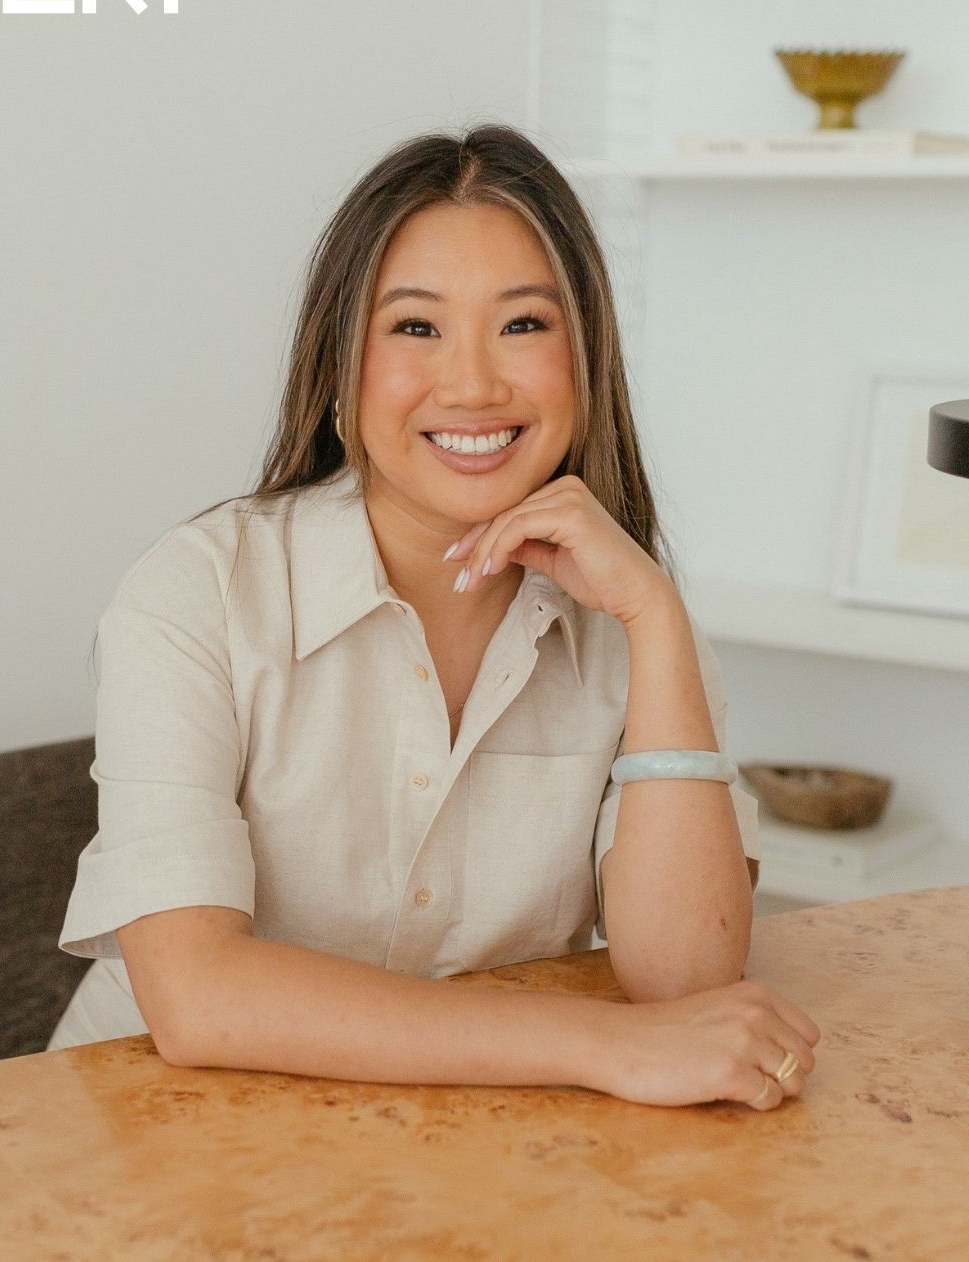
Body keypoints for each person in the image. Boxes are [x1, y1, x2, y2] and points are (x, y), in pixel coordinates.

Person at [47, 124, 820, 1112]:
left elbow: (687, 984)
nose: (473, 385)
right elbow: (198, 996)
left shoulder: (627, 616)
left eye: (525, 325)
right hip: (143, 1140)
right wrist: (602, 1044)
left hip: (448, 1148)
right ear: (339, 367)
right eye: (415, 327)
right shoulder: (196, 591)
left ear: (587, 367)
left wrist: (656, 623)